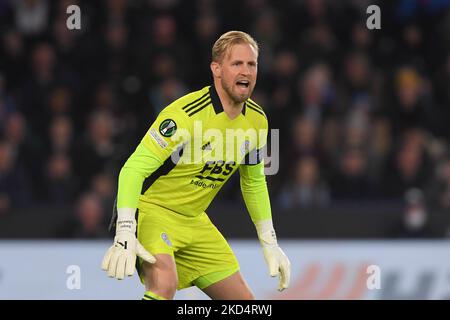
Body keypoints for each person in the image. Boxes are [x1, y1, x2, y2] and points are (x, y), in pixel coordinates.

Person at [101, 31, 290, 300]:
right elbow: (132, 169)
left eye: (252, 64)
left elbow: (254, 181)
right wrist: (125, 229)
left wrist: (270, 242)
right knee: (164, 284)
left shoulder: (257, 121)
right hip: (154, 210)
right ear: (216, 69)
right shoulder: (185, 115)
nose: (246, 71)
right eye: (237, 64)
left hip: (194, 219)